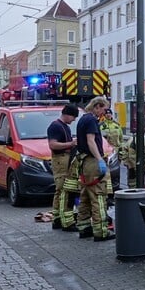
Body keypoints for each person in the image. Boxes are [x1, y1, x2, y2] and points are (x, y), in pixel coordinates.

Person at [75, 96, 114, 242]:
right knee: (98, 195)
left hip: (85, 162)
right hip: (92, 161)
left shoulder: (83, 119)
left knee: (85, 196)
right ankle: (101, 231)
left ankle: (84, 227)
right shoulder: (91, 120)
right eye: (103, 109)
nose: (104, 113)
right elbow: (91, 141)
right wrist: (99, 159)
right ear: (97, 106)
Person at [46, 104, 79, 229]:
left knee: (60, 190)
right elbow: (53, 145)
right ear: (67, 114)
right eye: (73, 116)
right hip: (60, 160)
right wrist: (71, 143)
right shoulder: (56, 126)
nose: (74, 119)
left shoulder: (64, 126)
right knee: (62, 189)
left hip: (64, 159)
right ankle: (63, 220)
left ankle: (57, 218)